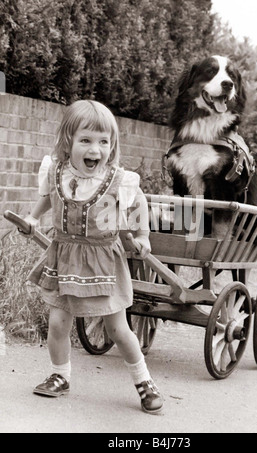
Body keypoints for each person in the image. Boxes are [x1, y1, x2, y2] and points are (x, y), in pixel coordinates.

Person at [24, 100, 163, 414]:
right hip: (63, 256)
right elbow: (48, 198)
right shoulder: (56, 171)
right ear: (68, 140)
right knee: (58, 322)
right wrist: (32, 219)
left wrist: (142, 236)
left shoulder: (118, 180)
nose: (95, 149)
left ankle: (144, 382)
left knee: (117, 328)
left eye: (104, 142)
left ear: (111, 146)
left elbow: (139, 204)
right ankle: (60, 376)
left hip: (102, 261)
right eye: (86, 140)